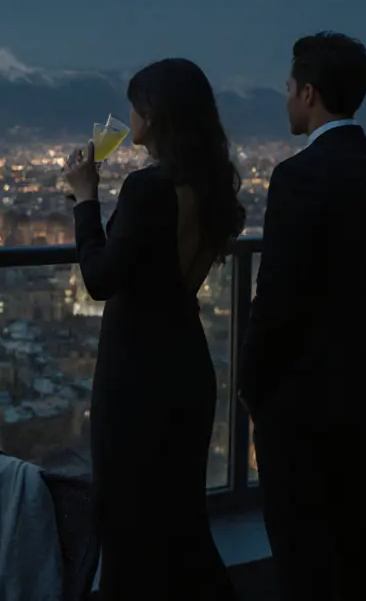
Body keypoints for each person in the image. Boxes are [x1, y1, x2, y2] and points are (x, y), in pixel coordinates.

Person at [238, 32, 366, 601]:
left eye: (290, 88)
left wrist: (252, 381)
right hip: (358, 386)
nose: (287, 99)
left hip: (296, 395)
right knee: (352, 531)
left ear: (309, 93)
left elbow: (278, 296)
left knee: (299, 542)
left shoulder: (297, 177)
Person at [63, 58, 244, 600]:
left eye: (135, 106)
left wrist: (86, 199)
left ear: (152, 115)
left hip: (135, 376)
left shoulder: (146, 190)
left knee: (124, 522)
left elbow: (100, 278)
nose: (129, 117)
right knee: (182, 525)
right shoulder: (212, 184)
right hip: (186, 367)